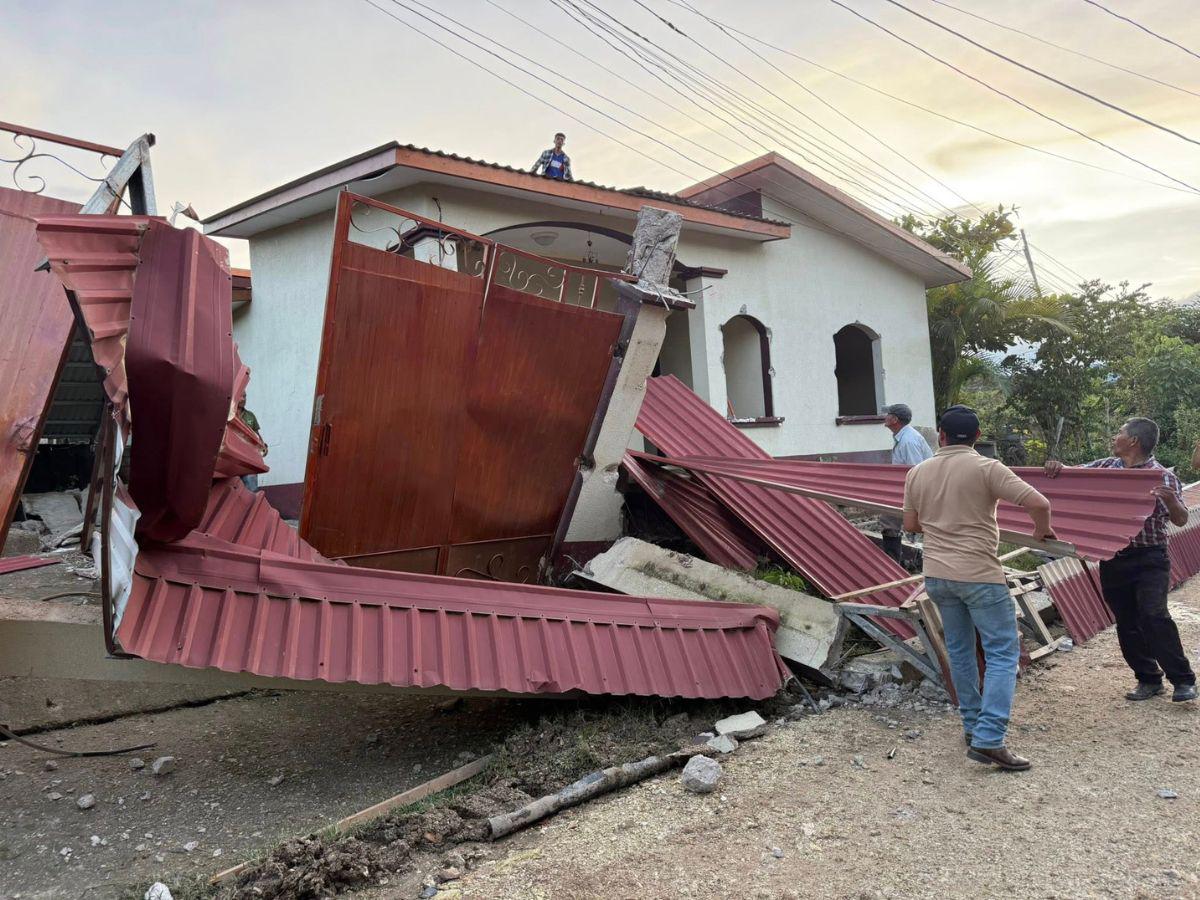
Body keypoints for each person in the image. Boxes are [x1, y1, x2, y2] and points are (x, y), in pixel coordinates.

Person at [903, 405, 1055, 771]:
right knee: (1003, 653)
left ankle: (973, 729)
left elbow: (911, 523)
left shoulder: (917, 472)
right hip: (979, 575)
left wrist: (945, 524)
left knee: (960, 653)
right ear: (976, 435)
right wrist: (1041, 531)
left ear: (939, 435)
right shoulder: (987, 468)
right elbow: (1039, 502)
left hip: (937, 576)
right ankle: (990, 737)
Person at [1045, 418, 1197, 703]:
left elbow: (1181, 520)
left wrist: (1171, 501)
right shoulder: (1106, 468)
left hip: (1150, 557)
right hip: (1113, 557)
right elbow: (1069, 476)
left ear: (1134, 441)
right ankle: (1149, 679)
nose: (1115, 437)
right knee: (1126, 620)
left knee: (1154, 615)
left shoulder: (1162, 477)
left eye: (1119, 433)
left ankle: (1183, 680)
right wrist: (1057, 468)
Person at [879, 403, 933, 562]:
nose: (885, 417)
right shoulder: (903, 436)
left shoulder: (908, 441)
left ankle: (893, 563)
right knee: (889, 519)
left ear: (895, 419)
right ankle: (894, 562)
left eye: (888, 414)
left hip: (917, 488)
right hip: (906, 487)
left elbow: (916, 472)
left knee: (890, 520)